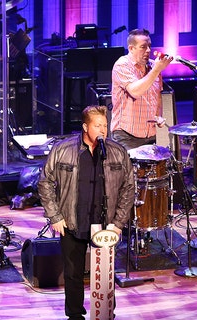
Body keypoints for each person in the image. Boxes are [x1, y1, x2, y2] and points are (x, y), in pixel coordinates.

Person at [38, 105, 135, 320]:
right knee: (73, 274)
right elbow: (45, 182)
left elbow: (129, 187)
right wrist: (55, 216)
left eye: (105, 125)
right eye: (97, 125)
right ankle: (75, 315)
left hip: (106, 223)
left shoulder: (117, 152)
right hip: (72, 221)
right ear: (85, 127)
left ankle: (107, 312)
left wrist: (118, 223)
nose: (103, 130)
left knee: (107, 273)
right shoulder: (63, 149)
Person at [110, 28, 172, 150]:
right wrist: (156, 70)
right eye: (143, 47)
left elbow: (157, 95)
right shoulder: (122, 65)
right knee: (130, 169)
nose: (148, 50)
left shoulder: (153, 66)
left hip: (150, 135)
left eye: (149, 46)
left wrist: (158, 115)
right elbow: (135, 91)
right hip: (127, 136)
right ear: (131, 48)